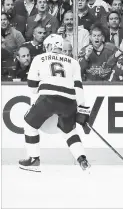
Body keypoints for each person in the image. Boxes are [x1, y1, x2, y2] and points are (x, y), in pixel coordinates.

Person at [18, 34, 91, 172]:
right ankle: (83, 160)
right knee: (69, 131)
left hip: (48, 98)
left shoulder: (39, 58)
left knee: (29, 124)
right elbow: (78, 86)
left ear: (51, 46)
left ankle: (34, 159)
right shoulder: (73, 62)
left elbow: (32, 87)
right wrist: (82, 108)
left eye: (47, 47)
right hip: (69, 100)